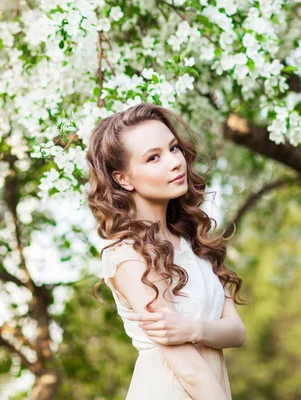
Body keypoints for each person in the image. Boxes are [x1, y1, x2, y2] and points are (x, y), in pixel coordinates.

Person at [87, 103, 248, 400]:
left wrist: (192, 329)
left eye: (173, 148)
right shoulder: (130, 257)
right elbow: (190, 371)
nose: (175, 162)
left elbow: (237, 332)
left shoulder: (194, 240)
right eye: (153, 157)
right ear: (123, 179)